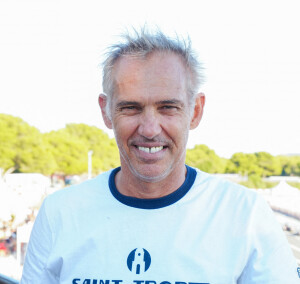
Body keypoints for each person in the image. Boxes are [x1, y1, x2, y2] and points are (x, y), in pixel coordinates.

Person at [21, 28, 299, 284]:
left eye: (168, 107)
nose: (150, 129)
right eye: (131, 108)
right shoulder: (59, 213)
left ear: (195, 111)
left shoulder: (245, 215)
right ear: (106, 111)